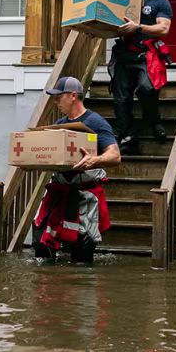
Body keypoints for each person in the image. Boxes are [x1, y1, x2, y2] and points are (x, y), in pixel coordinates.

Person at [31, 76, 122, 264]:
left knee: (81, 254)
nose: (55, 101)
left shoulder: (96, 123)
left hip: (85, 194)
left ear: (73, 96)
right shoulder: (59, 126)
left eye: (59, 97)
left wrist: (94, 160)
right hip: (59, 192)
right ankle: (46, 289)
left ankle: (80, 285)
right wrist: (31, 162)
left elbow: (115, 156)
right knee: (41, 247)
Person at [110, 0, 173, 155]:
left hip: (145, 54)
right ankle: (127, 136)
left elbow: (163, 29)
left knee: (147, 88)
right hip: (123, 53)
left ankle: (153, 120)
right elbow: (107, 14)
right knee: (121, 99)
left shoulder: (161, 3)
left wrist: (138, 27)